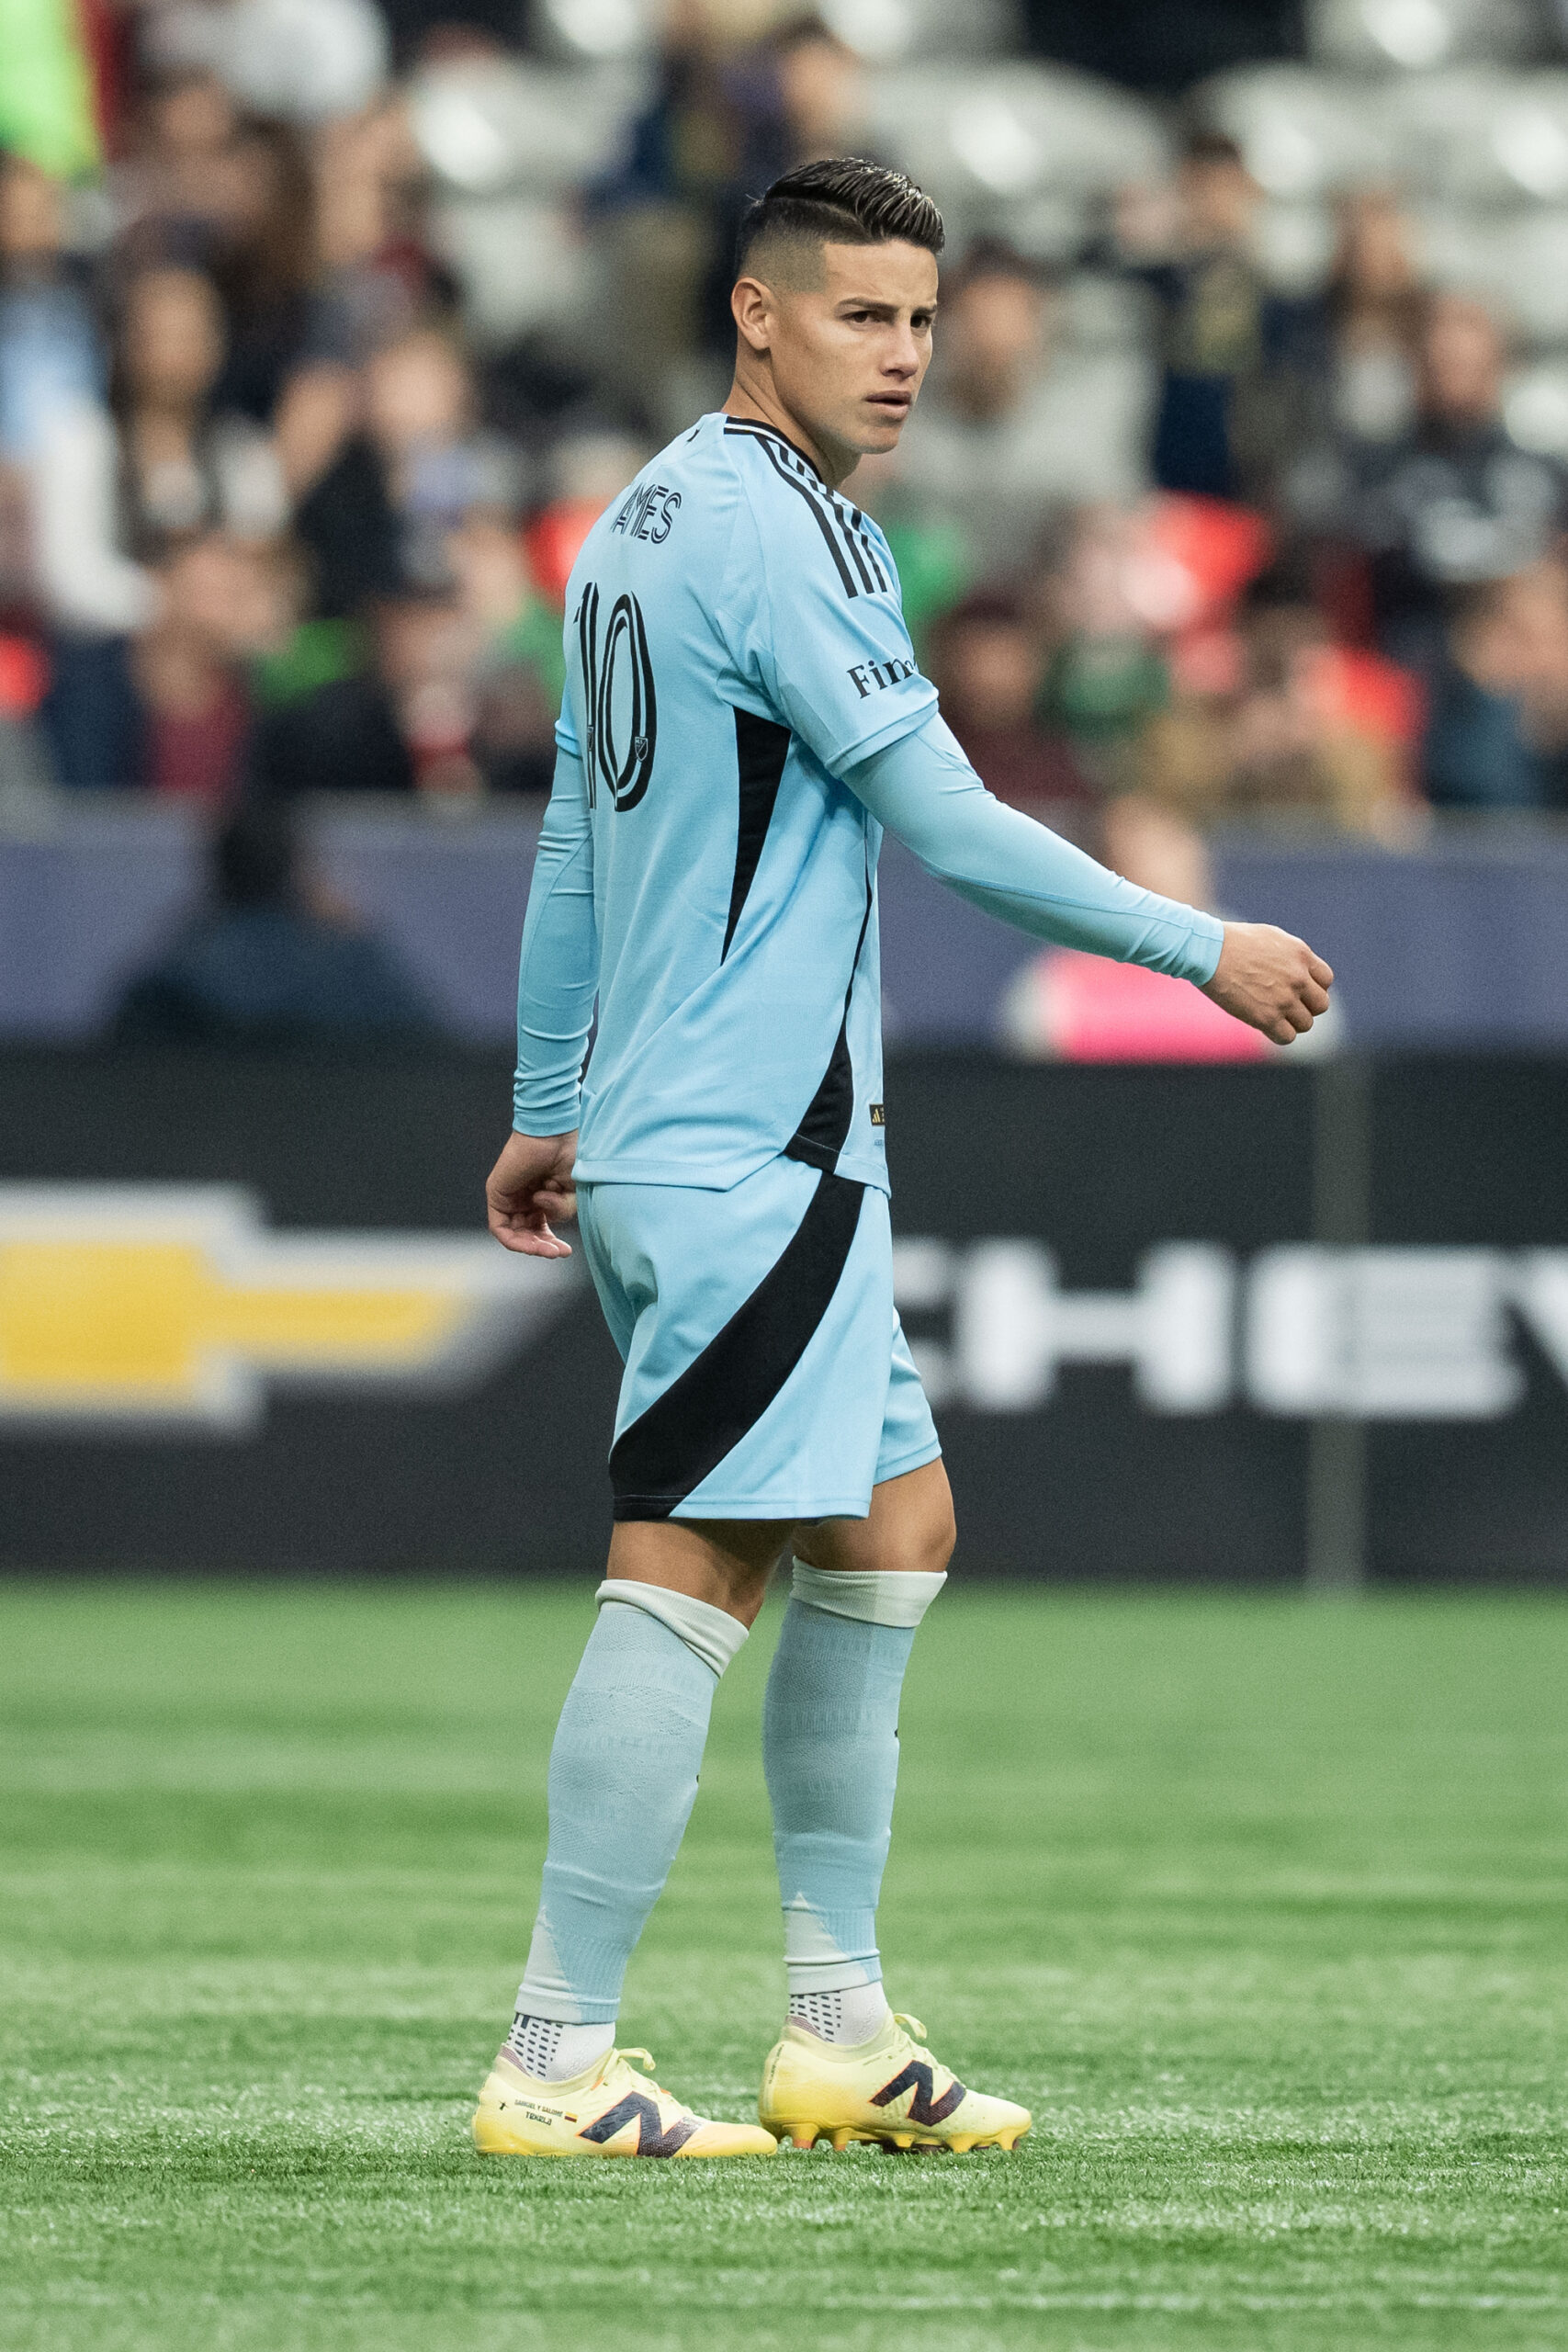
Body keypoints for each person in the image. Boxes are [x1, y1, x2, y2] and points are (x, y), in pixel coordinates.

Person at [477, 157, 1332, 2164]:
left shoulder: (637, 520)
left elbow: (575, 836)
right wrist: (1195, 943)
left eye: (923, 320)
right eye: (862, 314)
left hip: (695, 1138)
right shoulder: (785, 536)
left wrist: (547, 1096)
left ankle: (837, 2032)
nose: (904, 356)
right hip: (750, 1148)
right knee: (692, 1565)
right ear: (755, 311)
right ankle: (552, 2053)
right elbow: (945, 821)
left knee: (893, 1530)